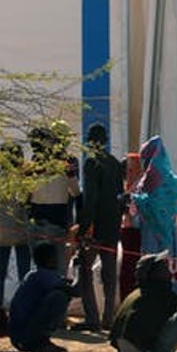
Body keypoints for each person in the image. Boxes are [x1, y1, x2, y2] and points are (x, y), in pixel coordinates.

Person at [74, 123, 125, 330]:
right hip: (112, 225)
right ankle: (108, 318)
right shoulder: (113, 162)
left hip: (95, 226)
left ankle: (92, 318)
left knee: (85, 270)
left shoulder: (91, 163)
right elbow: (120, 197)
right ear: (106, 139)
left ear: (89, 140)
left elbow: (91, 198)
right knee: (110, 273)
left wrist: (84, 226)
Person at [9, 241, 77, 352]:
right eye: (55, 257)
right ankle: (37, 343)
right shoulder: (42, 275)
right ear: (50, 260)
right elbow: (75, 291)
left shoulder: (35, 274)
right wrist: (83, 267)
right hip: (24, 335)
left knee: (60, 293)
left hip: (19, 333)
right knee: (59, 297)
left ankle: (41, 341)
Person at [0, 141, 33, 304]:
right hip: (21, 232)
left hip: (0, 232)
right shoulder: (24, 182)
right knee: (25, 274)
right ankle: (24, 305)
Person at [28, 123, 80, 230]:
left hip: (55, 211)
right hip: (60, 211)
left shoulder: (36, 160)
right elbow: (75, 191)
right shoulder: (68, 161)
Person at [118, 151, 143, 301]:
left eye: (126, 168)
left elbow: (133, 210)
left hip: (135, 230)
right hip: (129, 229)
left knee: (130, 269)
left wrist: (122, 204)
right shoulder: (131, 184)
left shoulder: (139, 185)